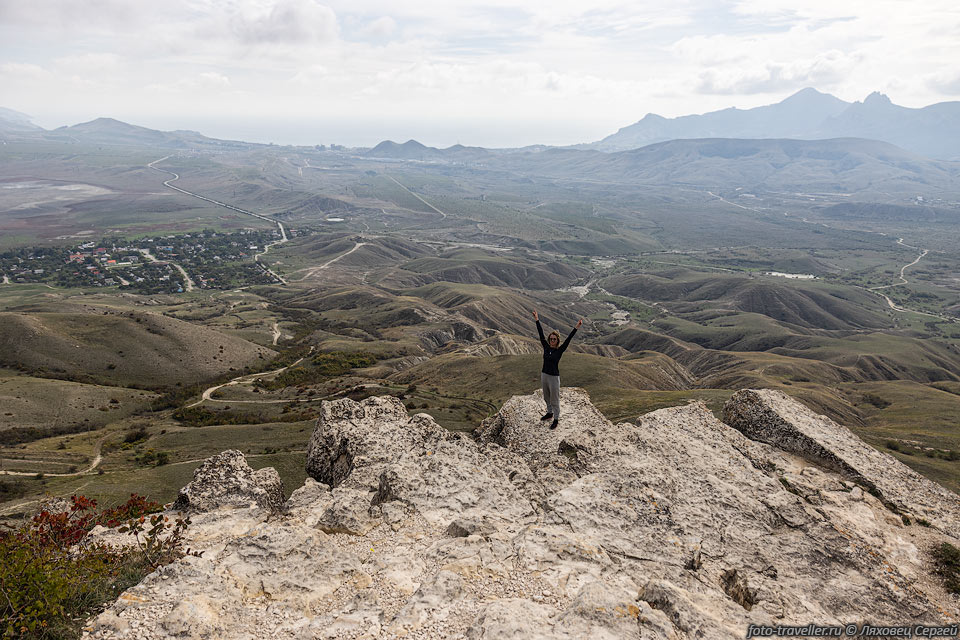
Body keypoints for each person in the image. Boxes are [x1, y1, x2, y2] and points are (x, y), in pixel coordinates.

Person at [532, 310, 582, 430]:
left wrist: (576, 327)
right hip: (544, 375)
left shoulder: (559, 350)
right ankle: (549, 413)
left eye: (554, 339)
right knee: (546, 396)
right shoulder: (546, 347)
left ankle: (556, 419)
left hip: (554, 377)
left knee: (555, 399)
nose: (552, 340)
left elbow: (569, 339)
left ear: (557, 341)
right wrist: (537, 319)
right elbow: (540, 334)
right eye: (551, 339)